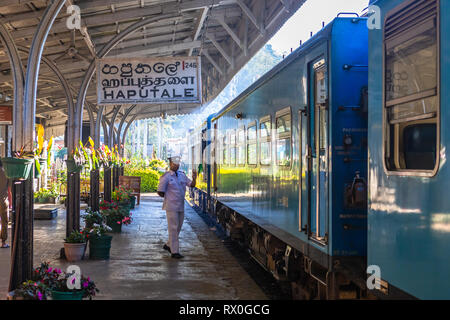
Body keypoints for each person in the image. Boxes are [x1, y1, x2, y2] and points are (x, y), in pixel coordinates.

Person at [157, 156, 196, 259]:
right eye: (174, 163)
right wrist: (170, 198)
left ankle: (168, 244)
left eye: (178, 163)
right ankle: (174, 251)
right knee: (173, 228)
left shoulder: (182, 175)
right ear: (170, 164)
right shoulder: (166, 177)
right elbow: (160, 191)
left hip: (180, 206)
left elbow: (191, 185)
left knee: (178, 227)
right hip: (171, 207)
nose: (176, 165)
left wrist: (194, 178)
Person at [0, 160, 9, 248]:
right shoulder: (6, 173)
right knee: (4, 221)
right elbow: (9, 189)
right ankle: (3, 242)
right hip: (3, 200)